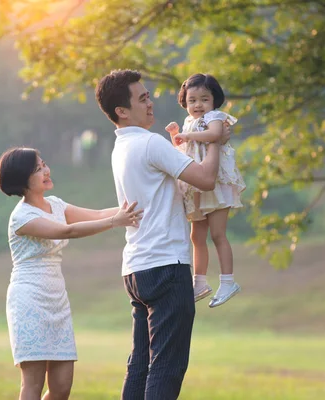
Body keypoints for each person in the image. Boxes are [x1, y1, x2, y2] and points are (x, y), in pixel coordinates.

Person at [95, 69, 230, 400]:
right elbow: (206, 179)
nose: (151, 102)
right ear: (121, 111)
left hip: (137, 269)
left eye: (148, 95)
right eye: (142, 98)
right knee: (167, 368)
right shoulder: (150, 142)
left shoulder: (121, 148)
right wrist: (217, 141)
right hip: (167, 266)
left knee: (140, 366)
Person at [0, 147, 143, 400]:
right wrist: (116, 222)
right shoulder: (21, 217)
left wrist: (135, 207)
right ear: (22, 179)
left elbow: (96, 214)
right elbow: (68, 231)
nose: (46, 170)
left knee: (62, 387)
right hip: (29, 301)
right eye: (38, 169)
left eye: (44, 164)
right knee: (33, 383)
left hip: (57, 300)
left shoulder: (55, 205)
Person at [165, 73, 246, 308]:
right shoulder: (188, 122)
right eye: (192, 100)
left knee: (218, 234)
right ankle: (199, 281)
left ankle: (228, 281)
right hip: (197, 184)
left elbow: (214, 135)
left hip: (216, 183)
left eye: (204, 99)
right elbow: (183, 149)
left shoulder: (215, 117)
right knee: (196, 235)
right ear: (185, 102)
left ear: (214, 100)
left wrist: (187, 134)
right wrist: (176, 135)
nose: (198, 105)